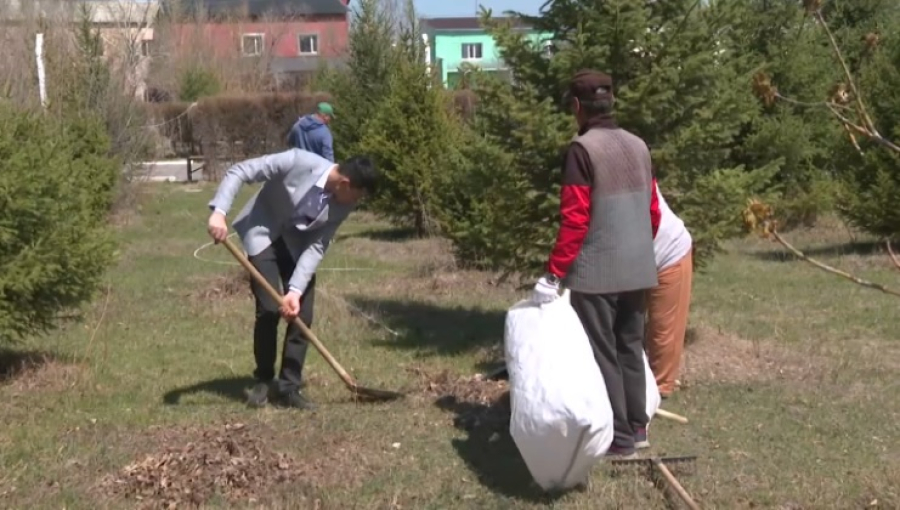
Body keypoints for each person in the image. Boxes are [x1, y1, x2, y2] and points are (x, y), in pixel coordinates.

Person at [532, 69, 658, 458]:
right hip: (640, 268)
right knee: (630, 347)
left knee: (603, 352)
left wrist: (553, 273)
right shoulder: (639, 146)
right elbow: (653, 212)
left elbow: (575, 218)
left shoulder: (581, 150)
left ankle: (619, 440)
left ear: (576, 107)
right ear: (611, 102)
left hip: (597, 272)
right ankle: (637, 428)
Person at [206, 149, 378, 410]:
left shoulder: (345, 202)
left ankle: (289, 387)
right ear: (345, 183)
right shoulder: (297, 161)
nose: (356, 202)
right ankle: (264, 379)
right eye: (357, 195)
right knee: (268, 310)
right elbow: (239, 171)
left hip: (297, 247)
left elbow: (318, 244)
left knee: (302, 315)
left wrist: (295, 291)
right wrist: (219, 211)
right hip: (263, 234)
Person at [646, 177, 693, 399]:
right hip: (632, 263)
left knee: (663, 329)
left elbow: (651, 217)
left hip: (669, 253)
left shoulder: (634, 168)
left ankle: (660, 391)